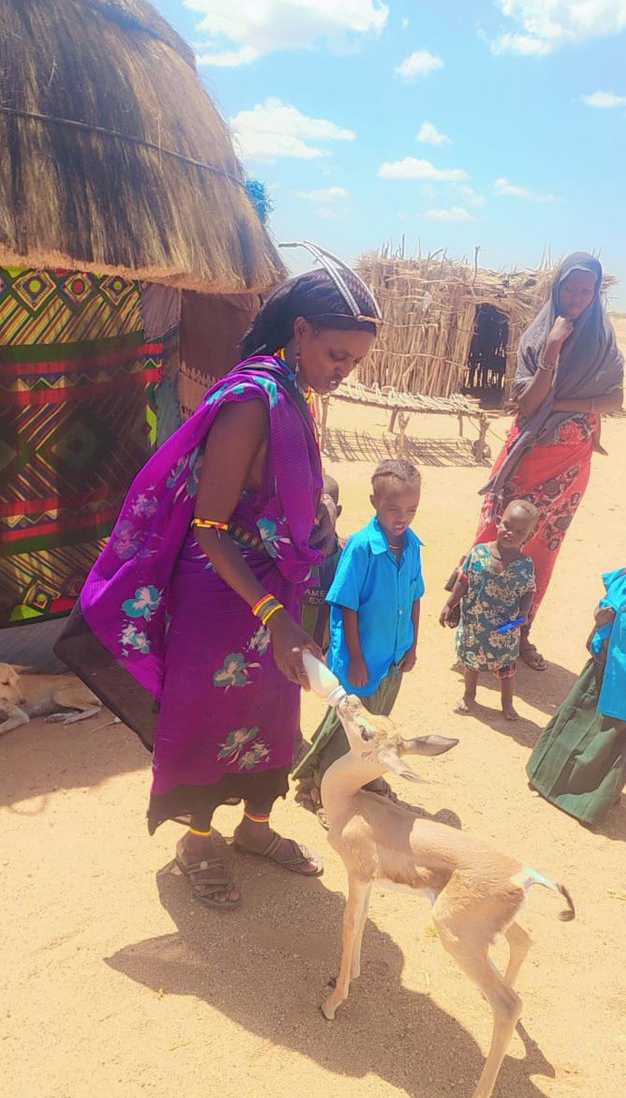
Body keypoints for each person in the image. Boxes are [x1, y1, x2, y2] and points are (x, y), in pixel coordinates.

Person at [56, 255, 381, 907]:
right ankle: (196, 842)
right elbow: (208, 524)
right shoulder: (251, 402)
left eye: (354, 361)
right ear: (300, 331)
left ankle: (255, 830)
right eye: (336, 355)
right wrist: (275, 616)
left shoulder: (294, 394)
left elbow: (274, 492)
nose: (343, 372)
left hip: (270, 599)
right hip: (223, 597)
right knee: (209, 722)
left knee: (269, 714)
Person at [447, 252, 624, 672]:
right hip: (526, 460)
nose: (578, 297)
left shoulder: (603, 340)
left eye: (586, 290)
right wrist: (552, 348)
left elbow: (615, 400)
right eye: (570, 288)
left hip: (570, 468)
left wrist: (561, 402)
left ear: (596, 292)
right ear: (556, 288)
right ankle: (468, 618)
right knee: (494, 534)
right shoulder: (537, 335)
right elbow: (527, 405)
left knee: (541, 552)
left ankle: (519, 632)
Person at [527, 509, 626, 826]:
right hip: (600, 668)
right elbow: (604, 610)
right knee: (575, 722)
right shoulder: (621, 578)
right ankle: (547, 778)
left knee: (610, 741)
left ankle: (587, 802)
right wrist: (599, 620)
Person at [293, 458, 423, 814]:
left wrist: (412, 644)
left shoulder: (412, 546)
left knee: (376, 722)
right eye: (393, 508)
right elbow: (345, 605)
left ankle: (360, 776)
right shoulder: (362, 547)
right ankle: (319, 789)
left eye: (411, 509)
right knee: (347, 728)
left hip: (392, 657)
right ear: (373, 503)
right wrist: (357, 658)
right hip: (361, 659)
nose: (402, 517)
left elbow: (415, 596)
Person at [440, 499, 538, 720]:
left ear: (529, 537)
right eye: (507, 525)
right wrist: (449, 604)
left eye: (520, 531)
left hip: (505, 630)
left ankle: (507, 703)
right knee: (471, 664)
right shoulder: (478, 554)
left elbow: (529, 590)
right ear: (497, 522)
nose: (510, 533)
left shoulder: (525, 565)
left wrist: (523, 614)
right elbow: (463, 581)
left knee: (507, 670)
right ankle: (469, 695)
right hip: (476, 624)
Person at [300, 475, 344, 653]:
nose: (316, 518)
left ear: (337, 511)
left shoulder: (342, 554)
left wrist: (319, 638)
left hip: (324, 643)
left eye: (324, 509)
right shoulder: (295, 550)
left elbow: (333, 599)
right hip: (292, 637)